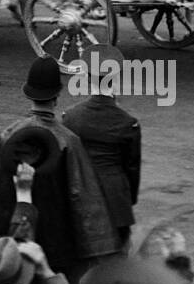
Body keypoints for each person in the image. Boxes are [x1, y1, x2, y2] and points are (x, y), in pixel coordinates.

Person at [0, 57, 120, 284]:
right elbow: (84, 198)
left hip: (15, 238)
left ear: (28, 94)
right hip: (59, 242)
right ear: (57, 95)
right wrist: (99, 246)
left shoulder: (9, 135)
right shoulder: (69, 141)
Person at [61, 44, 142, 250]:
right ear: (116, 79)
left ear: (87, 77)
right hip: (115, 201)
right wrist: (127, 200)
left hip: (79, 198)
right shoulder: (127, 123)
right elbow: (132, 169)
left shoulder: (70, 117)